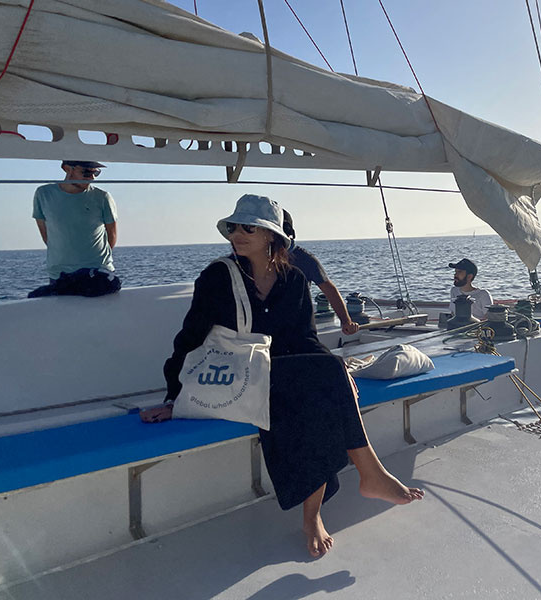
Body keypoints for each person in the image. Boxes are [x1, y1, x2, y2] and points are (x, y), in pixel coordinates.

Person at [140, 194, 422, 558]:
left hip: (283, 375)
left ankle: (314, 515)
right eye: (234, 227)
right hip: (237, 375)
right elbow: (190, 338)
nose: (237, 235)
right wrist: (174, 397)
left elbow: (305, 339)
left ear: (272, 235)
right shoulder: (218, 277)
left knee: (322, 396)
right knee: (322, 385)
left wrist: (335, 377)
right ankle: (367, 474)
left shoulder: (292, 279)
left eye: (249, 228)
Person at [29, 160, 120, 297]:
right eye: (86, 172)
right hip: (59, 275)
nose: (92, 177)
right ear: (67, 169)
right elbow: (46, 234)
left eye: (96, 173)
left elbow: (112, 236)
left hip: (97, 273)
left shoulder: (102, 197)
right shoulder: (43, 194)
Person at [282, 209, 360, 335]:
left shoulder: (306, 260)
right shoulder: (252, 258)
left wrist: (346, 321)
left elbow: (330, 290)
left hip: (298, 327)